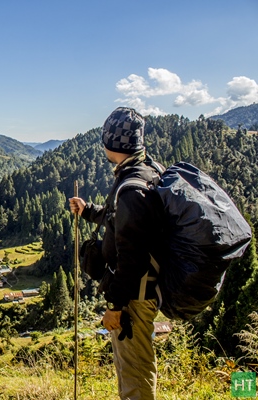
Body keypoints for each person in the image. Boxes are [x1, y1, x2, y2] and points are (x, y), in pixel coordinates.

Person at [69, 107, 164, 400]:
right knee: (134, 365)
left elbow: (131, 257)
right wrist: (89, 211)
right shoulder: (145, 173)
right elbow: (121, 223)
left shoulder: (132, 189)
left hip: (135, 295)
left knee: (134, 370)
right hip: (141, 290)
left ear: (112, 144)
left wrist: (116, 306)